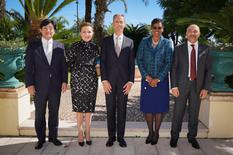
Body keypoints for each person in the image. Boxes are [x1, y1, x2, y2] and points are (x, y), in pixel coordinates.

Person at [25, 19, 68, 149]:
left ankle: (54, 137)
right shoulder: (33, 46)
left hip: (55, 86)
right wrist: (30, 84)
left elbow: (63, 66)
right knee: (39, 113)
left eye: (50, 28)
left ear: (54, 31)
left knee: (54, 112)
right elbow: (28, 67)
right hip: (39, 86)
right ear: (40, 30)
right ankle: (41, 139)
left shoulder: (60, 46)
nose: (48, 30)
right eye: (45, 28)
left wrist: (65, 81)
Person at [170, 24, 212, 149]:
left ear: (199, 33)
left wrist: (205, 88)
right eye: (190, 31)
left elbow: (209, 70)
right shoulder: (178, 49)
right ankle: (174, 137)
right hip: (181, 85)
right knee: (178, 112)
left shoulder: (206, 49)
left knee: (194, 113)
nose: (192, 33)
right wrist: (174, 86)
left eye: (195, 31)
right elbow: (174, 68)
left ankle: (192, 137)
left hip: (197, 86)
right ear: (186, 33)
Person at [136, 18, 173, 145]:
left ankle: (156, 132)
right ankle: (150, 132)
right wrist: (147, 77)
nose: (157, 30)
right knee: (148, 107)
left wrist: (158, 78)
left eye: (159, 28)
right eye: (155, 27)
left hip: (161, 82)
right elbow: (139, 60)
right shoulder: (144, 42)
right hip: (146, 81)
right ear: (151, 29)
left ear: (162, 29)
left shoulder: (168, 43)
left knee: (159, 108)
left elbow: (169, 62)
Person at [100, 14, 135, 148]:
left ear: (124, 24)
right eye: (116, 22)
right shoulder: (106, 41)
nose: (119, 24)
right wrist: (104, 80)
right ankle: (111, 137)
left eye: (121, 22)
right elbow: (102, 62)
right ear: (113, 24)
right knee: (110, 109)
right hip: (109, 82)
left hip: (124, 83)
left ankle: (121, 137)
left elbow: (131, 64)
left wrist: (131, 81)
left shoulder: (130, 42)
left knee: (122, 110)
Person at [65, 22, 99, 146]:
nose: (87, 34)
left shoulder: (96, 48)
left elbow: (99, 64)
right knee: (79, 109)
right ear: (80, 33)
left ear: (92, 33)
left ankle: (88, 133)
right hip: (78, 81)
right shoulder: (74, 46)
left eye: (89, 32)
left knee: (89, 109)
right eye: (84, 31)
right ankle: (80, 133)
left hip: (91, 82)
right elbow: (67, 63)